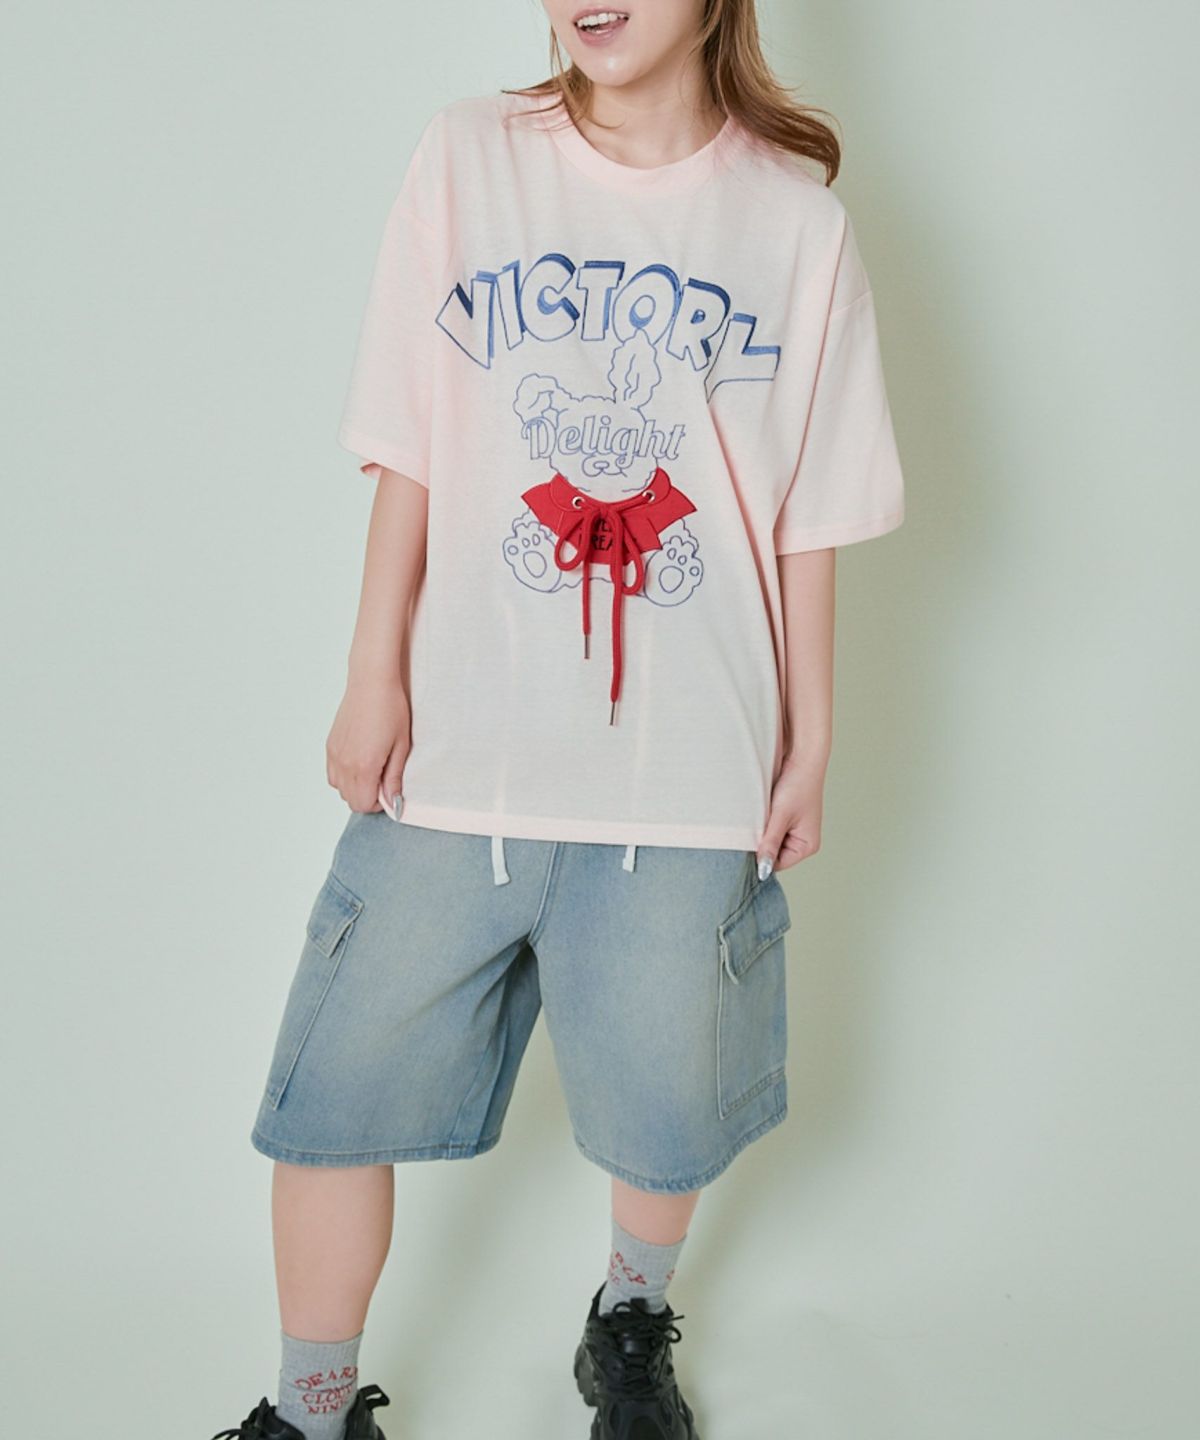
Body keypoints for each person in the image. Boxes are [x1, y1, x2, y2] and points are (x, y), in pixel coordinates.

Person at [212, 2, 905, 1437]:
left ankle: (628, 1323)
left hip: (688, 765)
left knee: (669, 1109)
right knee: (333, 1095)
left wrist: (813, 738)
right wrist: (371, 672)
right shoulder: (471, 158)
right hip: (458, 752)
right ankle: (312, 1413)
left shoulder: (796, 225)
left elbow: (810, 516)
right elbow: (408, 443)